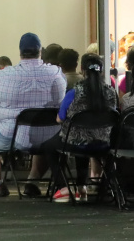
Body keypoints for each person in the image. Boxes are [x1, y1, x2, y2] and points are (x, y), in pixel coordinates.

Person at [0, 32, 66, 197]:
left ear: (20, 52)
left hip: (14, 136)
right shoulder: (55, 73)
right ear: (40, 51)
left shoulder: (5, 75)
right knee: (42, 133)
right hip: (51, 136)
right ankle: (32, 182)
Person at [47, 53, 118, 202]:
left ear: (82, 69)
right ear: (102, 70)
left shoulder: (74, 92)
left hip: (77, 143)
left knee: (49, 147)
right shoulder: (111, 92)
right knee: (85, 142)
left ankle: (64, 187)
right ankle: (85, 187)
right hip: (103, 143)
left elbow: (60, 119)